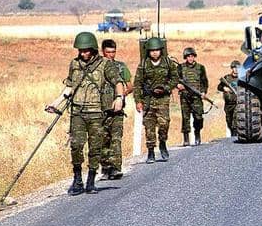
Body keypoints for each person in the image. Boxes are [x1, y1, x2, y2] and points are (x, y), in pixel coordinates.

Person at [46, 32, 123, 195]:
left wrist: (119, 98)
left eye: (86, 50)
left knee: (95, 147)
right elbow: (69, 86)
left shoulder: (105, 64)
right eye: (80, 50)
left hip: (96, 113)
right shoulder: (74, 64)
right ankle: (77, 179)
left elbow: (118, 82)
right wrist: (55, 103)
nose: (83, 53)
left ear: (93, 49)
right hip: (77, 112)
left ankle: (91, 180)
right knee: (76, 146)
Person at [134, 37, 179, 163]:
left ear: (161, 50)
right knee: (149, 127)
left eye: (157, 50)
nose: (154, 53)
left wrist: (166, 88)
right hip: (148, 99)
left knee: (164, 123)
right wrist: (138, 101)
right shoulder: (143, 64)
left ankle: (163, 143)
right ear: (148, 51)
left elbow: (175, 78)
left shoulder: (167, 62)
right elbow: (137, 83)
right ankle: (151, 151)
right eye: (152, 50)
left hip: (162, 99)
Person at [99, 39, 133, 180]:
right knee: (102, 139)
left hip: (117, 111)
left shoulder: (121, 67)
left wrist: (121, 96)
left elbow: (130, 86)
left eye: (113, 52)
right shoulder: (98, 67)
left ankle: (116, 168)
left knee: (116, 139)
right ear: (102, 52)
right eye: (108, 52)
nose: (111, 55)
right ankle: (105, 168)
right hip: (100, 110)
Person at [177, 47, 209, 146]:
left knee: (198, 117)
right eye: (188, 56)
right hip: (185, 96)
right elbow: (174, 79)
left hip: (197, 97)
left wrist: (203, 92)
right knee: (185, 118)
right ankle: (186, 138)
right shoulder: (180, 67)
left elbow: (204, 82)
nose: (190, 58)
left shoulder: (200, 68)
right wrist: (178, 85)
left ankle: (197, 135)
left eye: (192, 56)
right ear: (185, 57)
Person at [218, 60, 240, 136]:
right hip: (228, 104)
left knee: (236, 120)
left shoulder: (241, 78)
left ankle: (235, 134)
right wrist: (224, 88)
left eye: (237, 68)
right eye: (234, 67)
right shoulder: (227, 78)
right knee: (229, 120)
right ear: (232, 68)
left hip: (238, 103)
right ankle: (232, 133)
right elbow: (219, 87)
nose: (236, 69)